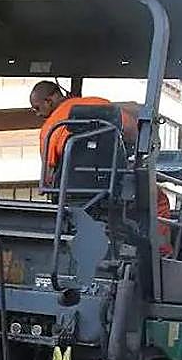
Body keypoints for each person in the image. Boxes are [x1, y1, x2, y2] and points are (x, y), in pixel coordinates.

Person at [29, 80, 171, 256]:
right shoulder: (101, 105)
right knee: (159, 200)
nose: (36, 113)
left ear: (49, 101)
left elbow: (47, 181)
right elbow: (135, 136)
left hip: (72, 197)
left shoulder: (49, 130)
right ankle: (160, 253)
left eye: (36, 108)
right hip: (114, 192)